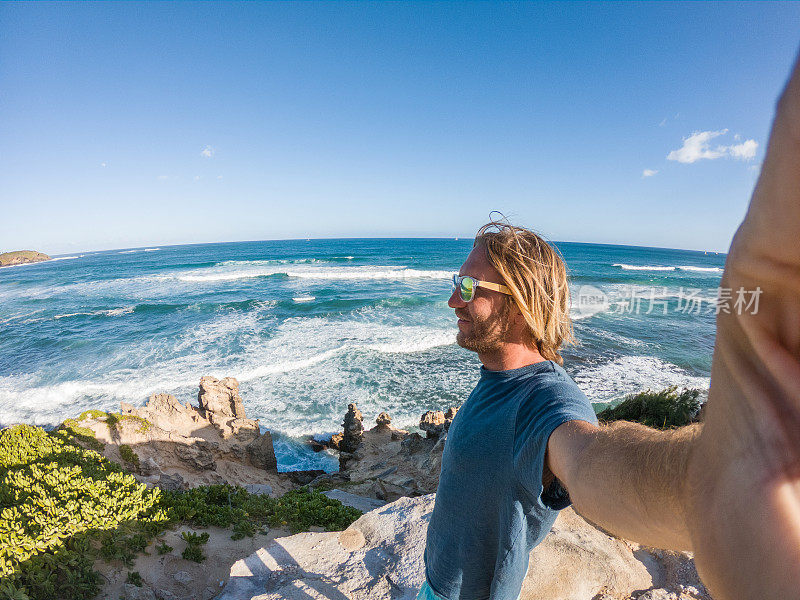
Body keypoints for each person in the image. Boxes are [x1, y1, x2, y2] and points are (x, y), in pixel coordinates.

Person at [418, 52, 800, 600]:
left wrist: (706, 488)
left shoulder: (546, 404)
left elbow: (591, 460)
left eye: (472, 287)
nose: (453, 299)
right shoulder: (499, 375)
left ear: (522, 304)